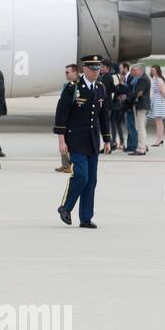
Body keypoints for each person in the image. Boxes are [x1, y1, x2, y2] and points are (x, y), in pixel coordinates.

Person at [55, 55, 112, 229]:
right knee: (81, 175)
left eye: (98, 69)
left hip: (93, 140)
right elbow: (61, 114)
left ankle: (86, 217)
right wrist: (61, 140)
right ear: (84, 70)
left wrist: (107, 139)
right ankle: (66, 207)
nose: (96, 72)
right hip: (76, 139)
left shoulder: (100, 88)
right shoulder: (72, 88)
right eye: (93, 69)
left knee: (92, 180)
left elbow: (103, 116)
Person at [56, 64, 79, 173]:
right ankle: (65, 164)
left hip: (69, 119)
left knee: (67, 142)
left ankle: (70, 165)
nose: (66, 74)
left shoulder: (76, 86)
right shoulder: (68, 85)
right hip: (63, 117)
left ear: (75, 72)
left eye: (67, 72)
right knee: (62, 140)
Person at [128, 62, 150, 155]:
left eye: (135, 70)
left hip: (141, 105)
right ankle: (142, 146)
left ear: (140, 70)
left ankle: (141, 148)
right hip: (140, 105)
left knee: (140, 127)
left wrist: (128, 97)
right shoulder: (141, 78)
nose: (134, 72)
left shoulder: (143, 79)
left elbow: (139, 93)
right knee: (139, 126)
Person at [109, 61, 131, 153]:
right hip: (117, 104)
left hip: (119, 105)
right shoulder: (122, 80)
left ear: (126, 68)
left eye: (121, 68)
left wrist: (120, 86)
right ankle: (120, 142)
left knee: (115, 123)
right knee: (116, 123)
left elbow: (127, 90)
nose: (119, 70)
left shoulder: (127, 78)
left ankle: (117, 141)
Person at [148, 64, 165, 147]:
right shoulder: (155, 79)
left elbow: (162, 91)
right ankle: (160, 139)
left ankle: (159, 140)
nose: (152, 72)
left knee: (159, 122)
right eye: (151, 70)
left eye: (153, 70)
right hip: (156, 99)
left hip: (158, 101)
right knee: (158, 121)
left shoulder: (158, 80)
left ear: (157, 70)